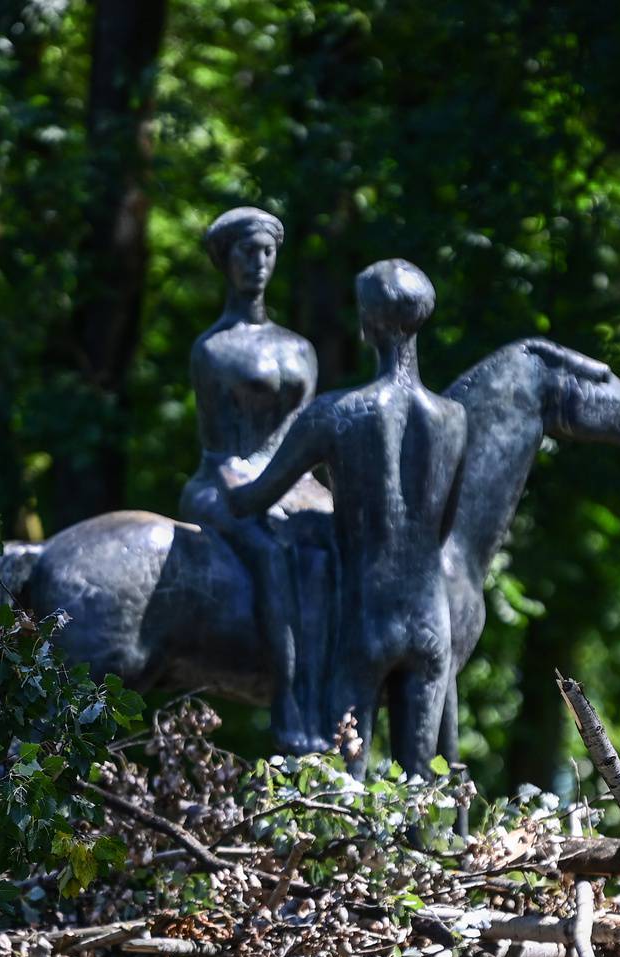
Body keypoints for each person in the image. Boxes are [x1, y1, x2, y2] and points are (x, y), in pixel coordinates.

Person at [227, 259, 466, 776]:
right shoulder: (454, 419)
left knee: (346, 781)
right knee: (420, 785)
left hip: (366, 614)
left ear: (368, 324)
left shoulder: (336, 413)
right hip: (431, 618)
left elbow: (255, 497)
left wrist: (227, 485)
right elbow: (444, 525)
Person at [178, 207, 332, 752]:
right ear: (227, 261)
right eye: (247, 252)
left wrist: (312, 493)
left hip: (292, 483)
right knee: (271, 553)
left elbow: (302, 444)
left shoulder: (299, 348)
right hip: (226, 483)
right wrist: (257, 495)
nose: (259, 262)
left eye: (266, 251)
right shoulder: (213, 350)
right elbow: (219, 448)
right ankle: (288, 703)